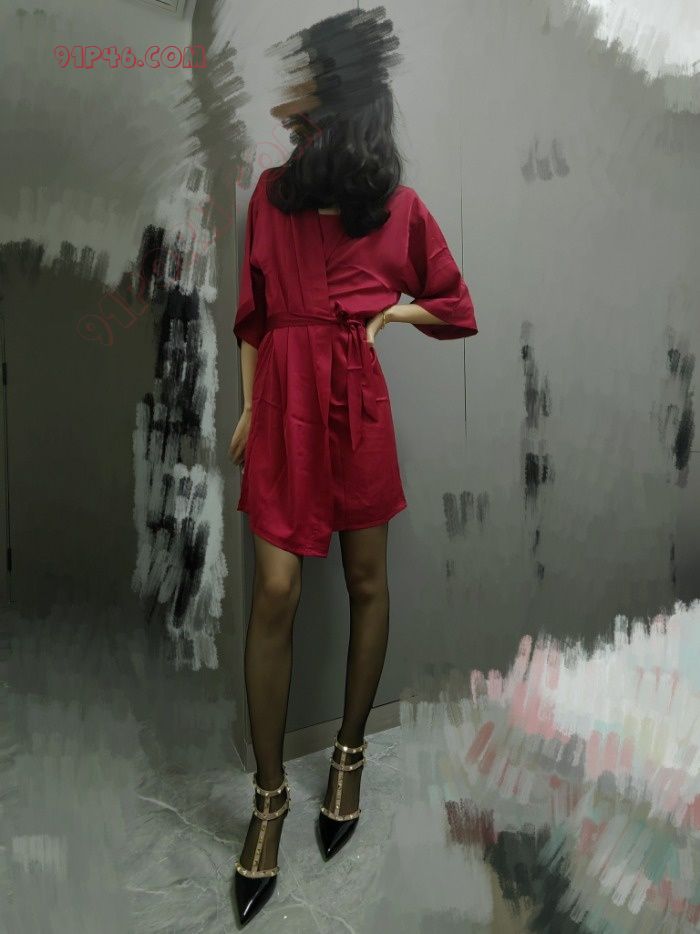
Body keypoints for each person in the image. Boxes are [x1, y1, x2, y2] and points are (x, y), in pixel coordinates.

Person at [227, 94, 478, 926]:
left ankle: (349, 753)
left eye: (322, 117)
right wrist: (251, 406)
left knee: (367, 582)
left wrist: (390, 313)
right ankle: (269, 798)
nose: (306, 133)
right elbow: (253, 318)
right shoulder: (271, 198)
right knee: (276, 590)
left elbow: (454, 303)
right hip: (282, 407)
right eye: (303, 121)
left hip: (356, 406)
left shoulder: (397, 209)